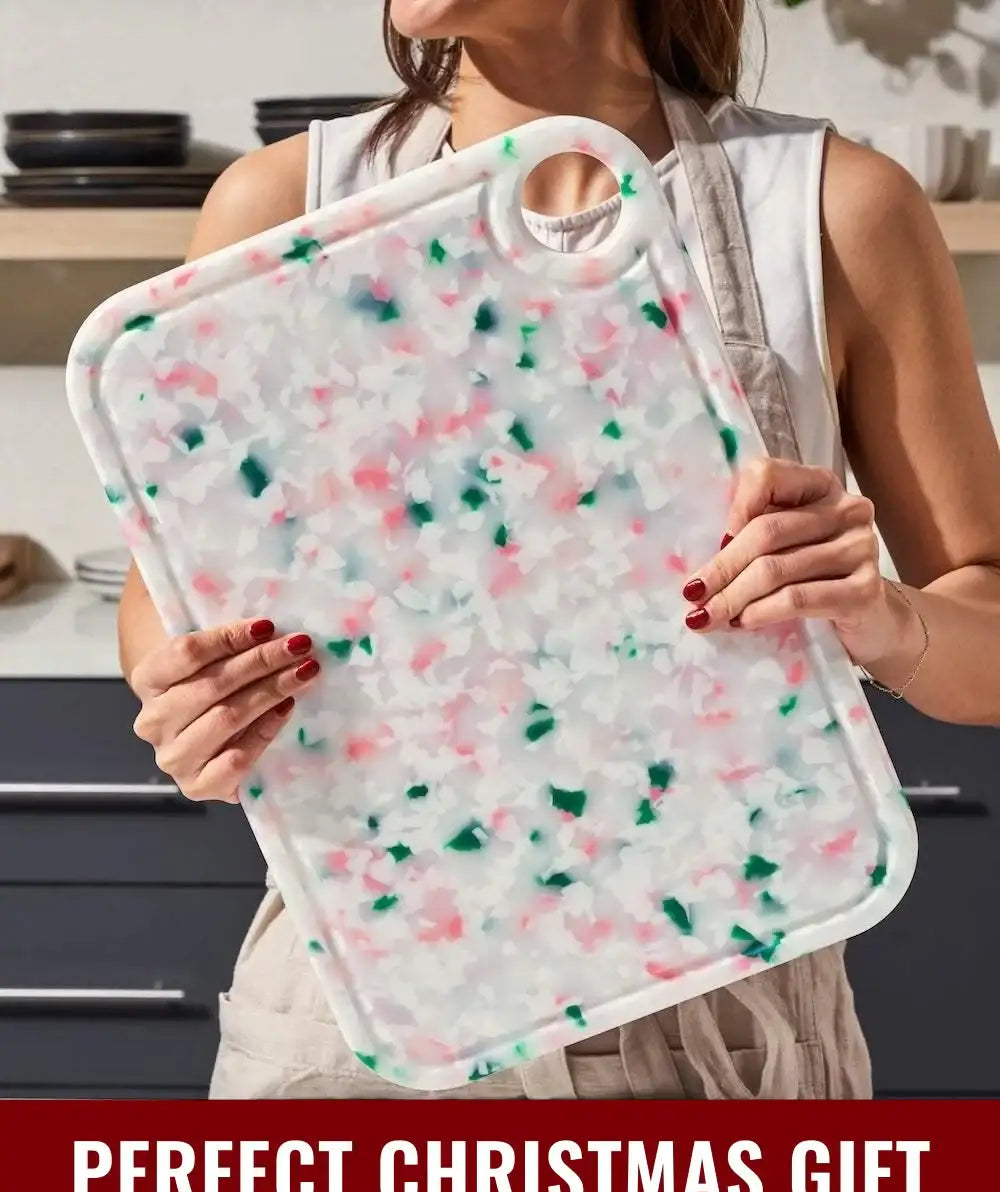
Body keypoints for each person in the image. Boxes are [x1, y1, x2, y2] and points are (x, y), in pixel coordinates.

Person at [118, 0, 1000, 1099]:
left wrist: (882, 615)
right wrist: (198, 689)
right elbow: (170, 583)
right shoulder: (283, 207)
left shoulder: (828, 206)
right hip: (358, 1019)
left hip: (710, 1024)